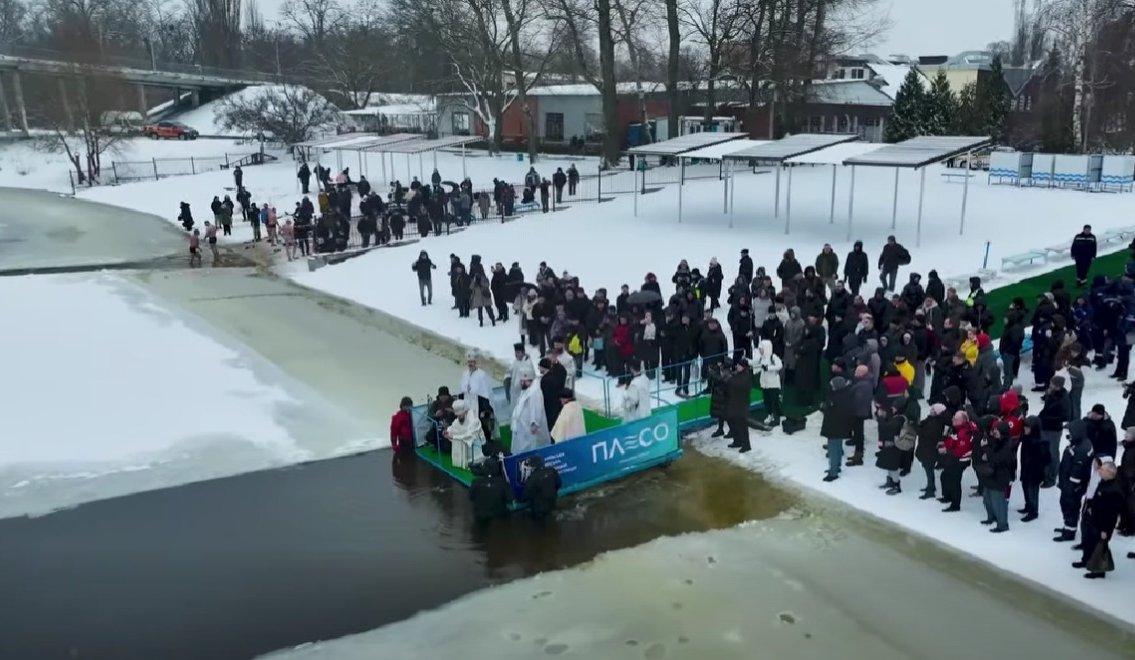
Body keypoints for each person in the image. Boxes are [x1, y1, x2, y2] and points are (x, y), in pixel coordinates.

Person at [1075, 458, 1124, 578]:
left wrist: (1105, 530)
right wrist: (1091, 507)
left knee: (1099, 545)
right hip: (1094, 518)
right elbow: (1097, 498)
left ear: (1110, 473)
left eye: (1103, 469)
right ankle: (1086, 560)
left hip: (1103, 524)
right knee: (1088, 541)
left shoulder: (1114, 490)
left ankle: (1099, 570)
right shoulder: (1103, 482)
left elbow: (1112, 513)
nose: (1100, 471)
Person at [1054, 420, 1095, 542]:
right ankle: (1068, 526)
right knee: (1067, 505)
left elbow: (1077, 471)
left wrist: (1070, 486)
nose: (1069, 434)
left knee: (1070, 506)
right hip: (1070, 483)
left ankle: (1070, 531)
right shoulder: (1079, 443)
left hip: (1074, 485)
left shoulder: (1082, 448)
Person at [820, 375, 856, 481]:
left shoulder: (836, 398)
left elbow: (831, 410)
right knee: (838, 447)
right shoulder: (846, 395)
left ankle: (833, 472)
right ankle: (837, 467)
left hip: (834, 427)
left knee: (833, 449)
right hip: (841, 426)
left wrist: (825, 407)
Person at [940, 411, 976, 512]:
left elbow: (960, 450)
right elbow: (954, 441)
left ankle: (955, 505)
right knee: (945, 476)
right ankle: (947, 496)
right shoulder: (959, 429)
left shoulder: (964, 433)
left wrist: (946, 450)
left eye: (955, 419)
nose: (953, 420)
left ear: (962, 421)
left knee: (954, 481)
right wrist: (945, 444)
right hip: (956, 458)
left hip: (960, 460)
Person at [510, 365, 550, 453]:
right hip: (523, 428)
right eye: (521, 381)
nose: (521, 383)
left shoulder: (535, 392)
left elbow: (536, 410)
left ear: (529, 380)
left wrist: (534, 424)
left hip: (530, 430)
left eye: (523, 381)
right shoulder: (526, 390)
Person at [1018, 416, 1050, 522]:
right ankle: (1028, 506)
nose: (1024, 428)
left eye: (1027, 427)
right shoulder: (1027, 437)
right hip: (1026, 468)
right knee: (1026, 488)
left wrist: (1039, 472)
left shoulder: (1040, 441)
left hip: (1035, 472)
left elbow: (1046, 459)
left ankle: (1033, 511)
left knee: (1033, 491)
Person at [459, 352, 496, 440]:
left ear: (475, 363)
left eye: (472, 362)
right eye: (469, 362)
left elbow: (485, 392)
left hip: (478, 403)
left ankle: (485, 440)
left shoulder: (481, 375)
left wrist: (485, 409)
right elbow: (462, 390)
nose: (470, 364)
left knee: (480, 424)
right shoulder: (465, 374)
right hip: (467, 402)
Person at [519, 455, 562, 525]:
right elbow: (559, 484)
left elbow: (525, 496)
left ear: (532, 467)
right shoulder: (552, 470)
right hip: (552, 502)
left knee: (538, 525)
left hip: (539, 508)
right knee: (551, 521)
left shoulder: (532, 479)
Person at [469, 458, 512, 526]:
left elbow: (471, 497)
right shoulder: (502, 482)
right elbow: (509, 499)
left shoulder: (475, 482)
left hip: (480, 515)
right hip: (498, 515)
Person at [445, 399, 486, 469]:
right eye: (457, 415)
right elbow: (453, 427)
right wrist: (447, 432)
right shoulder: (458, 420)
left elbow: (469, 436)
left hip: (477, 450)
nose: (458, 417)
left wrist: (453, 437)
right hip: (464, 450)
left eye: (460, 415)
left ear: (465, 412)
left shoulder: (474, 421)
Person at [724, 358, 753, 453]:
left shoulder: (746, 376)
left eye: (739, 365)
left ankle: (746, 445)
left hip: (741, 404)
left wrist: (730, 379)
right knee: (734, 423)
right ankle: (737, 441)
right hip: (734, 403)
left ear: (743, 367)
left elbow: (738, 384)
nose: (737, 366)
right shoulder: (738, 375)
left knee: (742, 425)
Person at [754, 339, 783, 425]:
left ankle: (777, 418)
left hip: (773, 384)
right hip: (765, 384)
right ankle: (769, 415)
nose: (760, 351)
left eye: (761, 349)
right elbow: (755, 363)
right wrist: (747, 361)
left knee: (775, 402)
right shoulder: (761, 358)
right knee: (767, 401)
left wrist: (768, 368)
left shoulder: (773, 357)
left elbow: (779, 365)